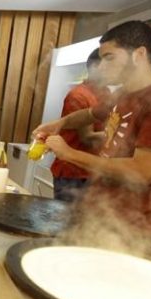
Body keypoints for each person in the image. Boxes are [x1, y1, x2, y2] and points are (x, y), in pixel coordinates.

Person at [33, 21, 151, 252]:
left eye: (109, 58)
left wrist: (69, 153)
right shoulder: (125, 94)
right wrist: (60, 123)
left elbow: (141, 172)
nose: (101, 66)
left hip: (130, 228)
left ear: (139, 54)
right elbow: (90, 114)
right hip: (99, 213)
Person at [50, 48, 110, 201]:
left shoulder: (106, 93)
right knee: (67, 215)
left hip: (93, 170)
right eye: (108, 63)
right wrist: (121, 137)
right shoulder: (78, 96)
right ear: (96, 67)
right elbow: (87, 138)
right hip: (73, 174)